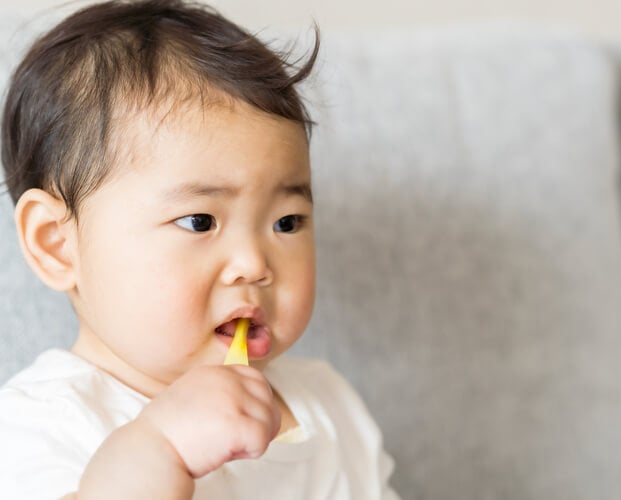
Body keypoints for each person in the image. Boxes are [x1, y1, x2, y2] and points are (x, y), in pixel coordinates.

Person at [0, 1, 398, 498]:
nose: (253, 264)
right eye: (200, 221)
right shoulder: (42, 424)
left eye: (287, 222)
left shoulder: (328, 403)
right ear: (57, 245)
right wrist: (160, 448)